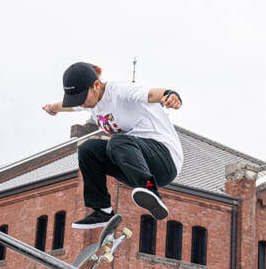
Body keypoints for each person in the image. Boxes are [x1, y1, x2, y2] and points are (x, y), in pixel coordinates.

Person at [43, 61, 184, 229]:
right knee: (88, 149)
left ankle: (150, 189)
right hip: (135, 162)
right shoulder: (89, 102)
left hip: (164, 159)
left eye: (82, 99)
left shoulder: (120, 91)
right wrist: (52, 108)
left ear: (96, 85)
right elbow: (67, 107)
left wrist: (170, 95)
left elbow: (152, 94)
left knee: (117, 142)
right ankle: (103, 211)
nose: (81, 104)